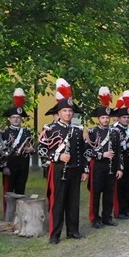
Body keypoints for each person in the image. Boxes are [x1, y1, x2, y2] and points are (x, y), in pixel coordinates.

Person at [37, 78, 88, 244]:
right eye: (65, 111)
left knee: (73, 202)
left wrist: (84, 169)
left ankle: (73, 231)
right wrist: (57, 157)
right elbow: (41, 149)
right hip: (58, 169)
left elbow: (83, 151)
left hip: (75, 169)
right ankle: (55, 234)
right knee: (57, 202)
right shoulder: (50, 129)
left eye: (70, 111)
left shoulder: (77, 131)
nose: (68, 113)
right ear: (58, 113)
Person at [85, 87, 122, 229]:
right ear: (98, 118)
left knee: (109, 192)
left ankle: (107, 217)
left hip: (112, 166)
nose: (105, 120)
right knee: (95, 193)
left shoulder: (115, 133)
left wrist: (120, 167)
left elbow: (118, 151)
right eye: (103, 117)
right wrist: (101, 154)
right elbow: (87, 151)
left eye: (107, 117)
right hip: (98, 166)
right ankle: (95, 218)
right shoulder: (92, 132)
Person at [0, 88, 35, 219]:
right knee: (8, 192)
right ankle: (8, 215)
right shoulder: (4, 133)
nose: (16, 119)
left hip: (23, 165)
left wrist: (32, 150)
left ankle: (19, 214)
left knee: (20, 190)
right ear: (9, 119)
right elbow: (0, 151)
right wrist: (4, 167)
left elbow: (32, 146)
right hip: (10, 165)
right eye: (13, 117)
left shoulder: (27, 132)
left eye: (18, 117)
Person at [112, 90, 129, 219]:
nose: (126, 119)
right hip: (119, 160)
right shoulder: (114, 130)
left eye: (128, 117)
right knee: (119, 187)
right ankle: (118, 211)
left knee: (128, 186)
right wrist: (125, 145)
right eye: (124, 117)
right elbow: (113, 147)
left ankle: (126, 209)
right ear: (118, 118)